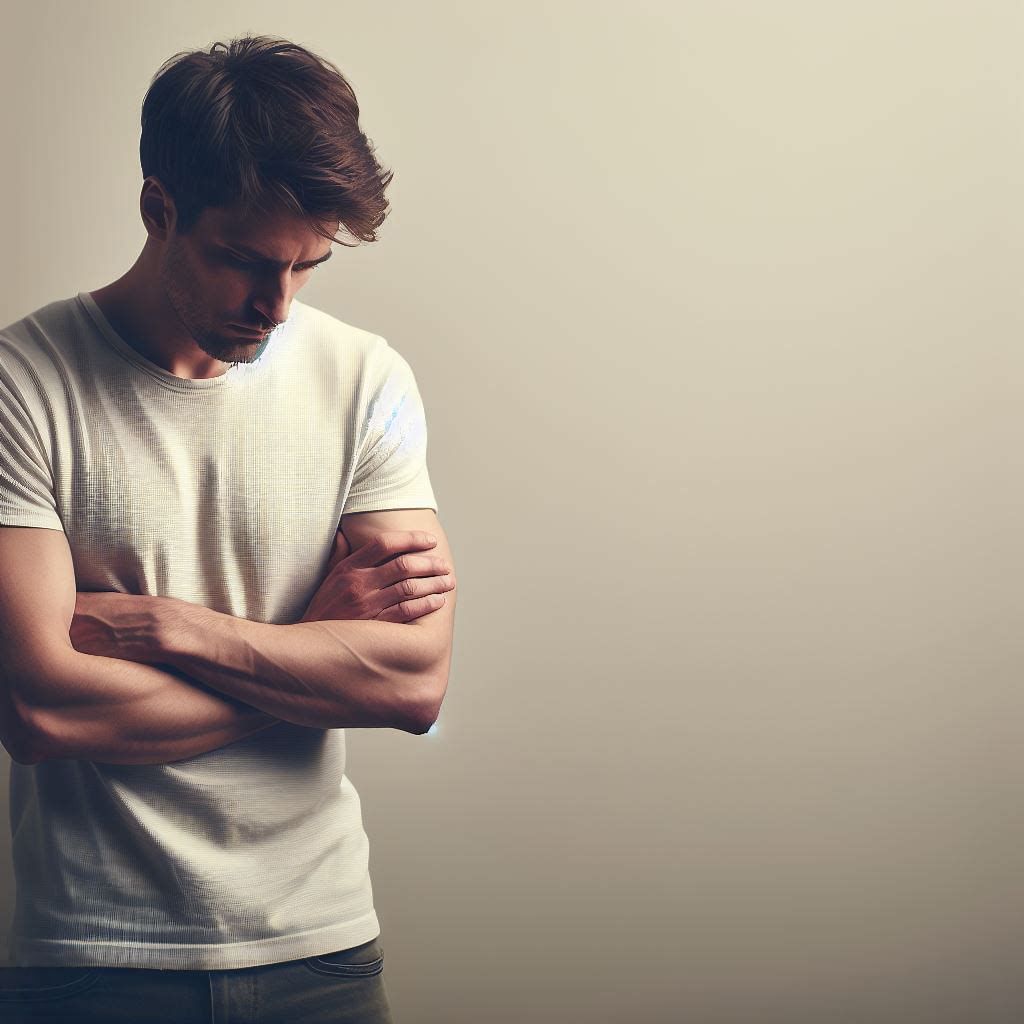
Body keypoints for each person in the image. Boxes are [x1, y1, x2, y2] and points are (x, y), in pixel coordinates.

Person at [0, 33, 457, 1023]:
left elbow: (415, 681)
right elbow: (40, 713)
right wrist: (312, 664)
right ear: (158, 208)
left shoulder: (367, 380)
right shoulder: (23, 383)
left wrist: (177, 629)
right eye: (244, 260)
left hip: (321, 947)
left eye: (306, 266)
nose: (276, 305)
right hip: (86, 956)